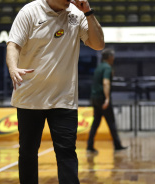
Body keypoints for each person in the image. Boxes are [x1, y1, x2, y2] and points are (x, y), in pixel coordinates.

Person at [6, 0, 104, 183]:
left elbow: (98, 44)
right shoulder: (29, 12)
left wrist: (89, 13)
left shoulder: (77, 12)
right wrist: (13, 68)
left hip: (63, 98)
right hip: (30, 97)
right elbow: (13, 45)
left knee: (67, 153)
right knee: (27, 151)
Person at [87, 48, 127, 154]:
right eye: (113, 56)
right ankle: (117, 145)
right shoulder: (107, 68)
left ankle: (89, 145)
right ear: (110, 57)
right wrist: (107, 98)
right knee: (111, 123)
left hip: (94, 98)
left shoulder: (99, 67)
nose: (113, 58)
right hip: (102, 99)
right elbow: (105, 83)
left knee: (95, 123)